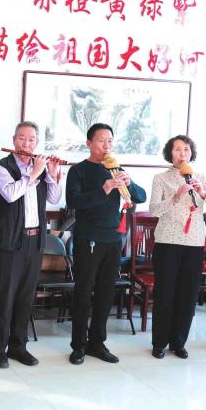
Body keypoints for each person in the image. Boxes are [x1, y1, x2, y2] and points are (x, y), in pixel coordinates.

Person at [65, 123, 146, 365]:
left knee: (106, 293)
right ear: (89, 143)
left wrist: (129, 183)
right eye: (101, 140)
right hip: (88, 237)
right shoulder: (78, 171)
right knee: (83, 292)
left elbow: (140, 197)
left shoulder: (117, 169)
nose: (106, 145)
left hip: (113, 239)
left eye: (110, 140)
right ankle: (78, 345)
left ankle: (97, 343)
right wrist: (104, 189)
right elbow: (73, 201)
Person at [0, 121, 62, 369]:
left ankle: (18, 346)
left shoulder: (39, 169)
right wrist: (34, 174)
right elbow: (10, 194)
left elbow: (54, 198)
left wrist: (51, 174)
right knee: (5, 297)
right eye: (22, 138)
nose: (26, 143)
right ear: (14, 140)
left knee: (25, 297)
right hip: (10, 241)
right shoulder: (1, 167)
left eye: (31, 140)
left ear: (37, 143)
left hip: (35, 239)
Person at [147, 135, 206, 359]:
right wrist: (175, 197)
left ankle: (179, 342)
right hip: (167, 241)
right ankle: (159, 342)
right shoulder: (161, 178)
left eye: (186, 149)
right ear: (170, 153)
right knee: (165, 294)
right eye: (177, 149)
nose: (182, 154)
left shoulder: (200, 177)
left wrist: (202, 192)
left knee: (188, 295)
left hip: (194, 243)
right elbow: (153, 210)